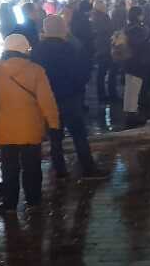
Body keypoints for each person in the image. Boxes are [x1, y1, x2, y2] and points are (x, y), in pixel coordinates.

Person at [0, 33, 60, 212]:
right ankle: (33, 201)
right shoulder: (36, 70)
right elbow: (47, 100)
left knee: (8, 167)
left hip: (4, 128)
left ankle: (9, 203)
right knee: (32, 167)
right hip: (30, 127)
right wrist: (53, 123)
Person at [34, 14, 103, 179]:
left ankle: (59, 170)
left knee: (55, 136)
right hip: (70, 97)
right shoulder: (70, 48)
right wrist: (78, 88)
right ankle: (88, 168)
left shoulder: (37, 50)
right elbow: (83, 71)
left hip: (48, 99)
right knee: (78, 134)